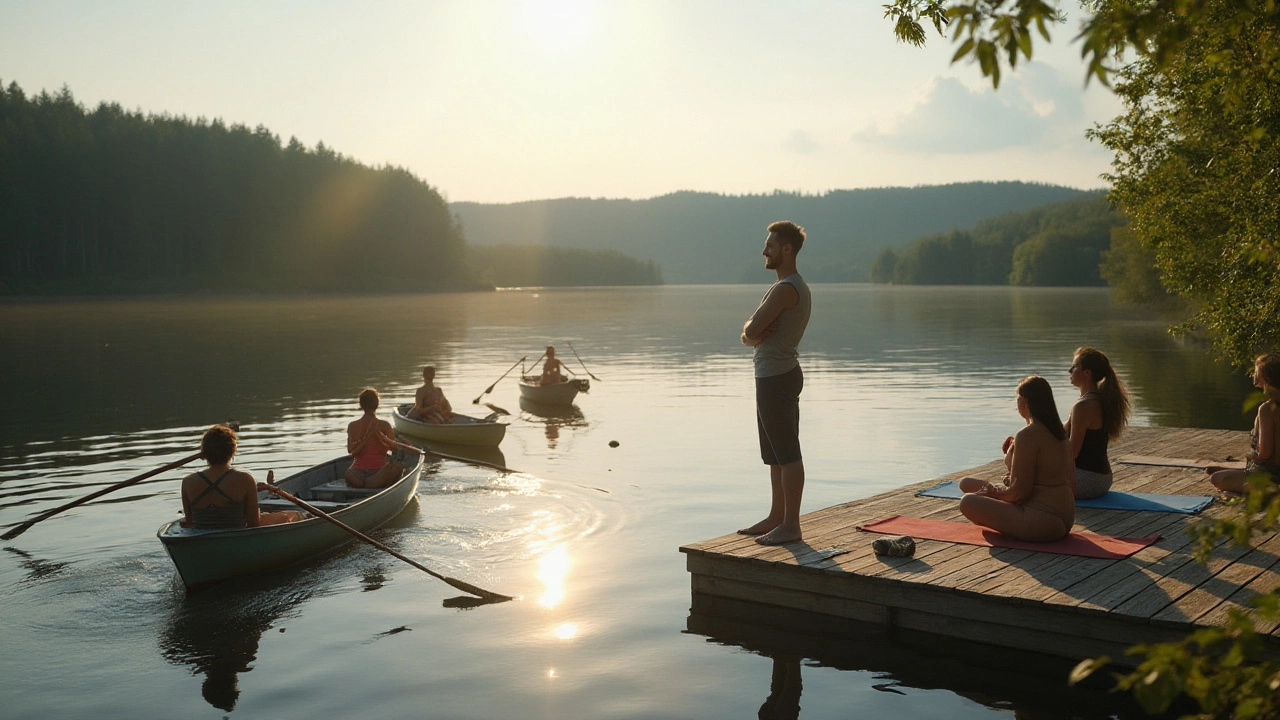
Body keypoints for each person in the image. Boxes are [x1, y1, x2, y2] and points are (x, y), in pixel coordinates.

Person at [737, 221, 812, 546]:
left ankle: (790, 525)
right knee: (774, 454)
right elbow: (750, 332)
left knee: (787, 453)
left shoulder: (786, 289)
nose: (764, 250)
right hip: (772, 375)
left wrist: (749, 332)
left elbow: (752, 331)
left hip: (777, 377)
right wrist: (749, 331)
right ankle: (776, 517)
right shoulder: (784, 286)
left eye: (770, 245)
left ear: (787, 249)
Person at [957, 376, 1076, 542]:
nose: (1017, 402)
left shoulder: (1027, 435)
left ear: (1026, 402)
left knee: (968, 502)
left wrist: (995, 492)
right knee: (966, 483)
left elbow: (1020, 493)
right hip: (1066, 517)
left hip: (1042, 520)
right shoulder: (1059, 433)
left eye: (1018, 398)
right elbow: (1065, 481)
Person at [180, 425, 302, 529]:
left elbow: (189, 523)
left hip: (202, 539)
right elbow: (253, 524)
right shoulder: (245, 479)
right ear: (233, 451)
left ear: (204, 453)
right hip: (235, 536)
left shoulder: (187, 482)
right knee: (290, 515)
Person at [1064, 346, 1131, 499]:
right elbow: (1059, 432)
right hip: (1102, 478)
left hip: (1087, 480)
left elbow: (1072, 452)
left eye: (1075, 366)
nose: (1069, 370)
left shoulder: (1084, 406)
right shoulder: (1097, 400)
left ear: (1087, 373)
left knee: (1033, 482)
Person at [1208, 355, 1280, 493]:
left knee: (1217, 479)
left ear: (1265, 376)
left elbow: (1265, 453)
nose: (1253, 374)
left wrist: (1249, 456)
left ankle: (1271, 491)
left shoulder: (1267, 409)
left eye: (1256, 370)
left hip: (1271, 475)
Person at [345, 387, 419, 489]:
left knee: (349, 473)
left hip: (356, 476)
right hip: (378, 474)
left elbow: (350, 451)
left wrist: (380, 438)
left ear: (361, 405)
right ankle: (378, 487)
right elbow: (395, 449)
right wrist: (383, 440)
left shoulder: (352, 426)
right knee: (398, 467)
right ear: (377, 404)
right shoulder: (384, 425)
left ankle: (365, 485)